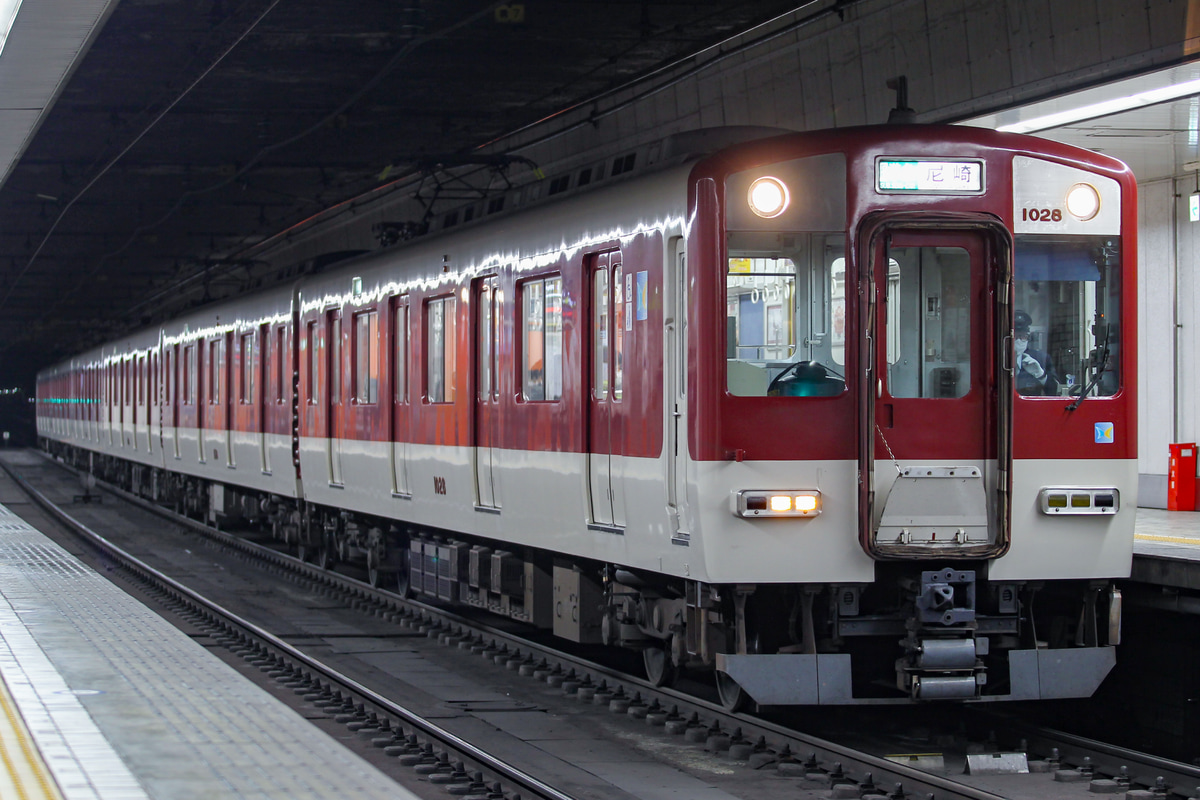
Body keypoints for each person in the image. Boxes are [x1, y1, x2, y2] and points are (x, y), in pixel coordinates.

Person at [1014, 310, 1060, 396]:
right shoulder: (994, 358)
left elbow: (1054, 391)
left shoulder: (1041, 358)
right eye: (1015, 336)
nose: (1019, 341)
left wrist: (1041, 375)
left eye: (1023, 336)